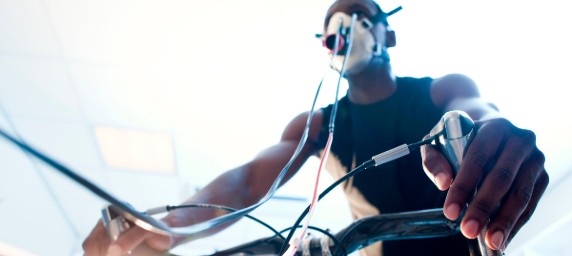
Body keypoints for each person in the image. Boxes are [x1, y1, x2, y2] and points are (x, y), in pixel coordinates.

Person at [83, 0, 549, 255]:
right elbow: (248, 182)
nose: (346, 28)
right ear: (327, 45)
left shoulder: (438, 91)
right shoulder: (317, 124)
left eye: (361, 15)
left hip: (462, 243)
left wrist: (499, 135)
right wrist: (169, 227)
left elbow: (479, 112)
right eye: (334, 25)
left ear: (389, 33)